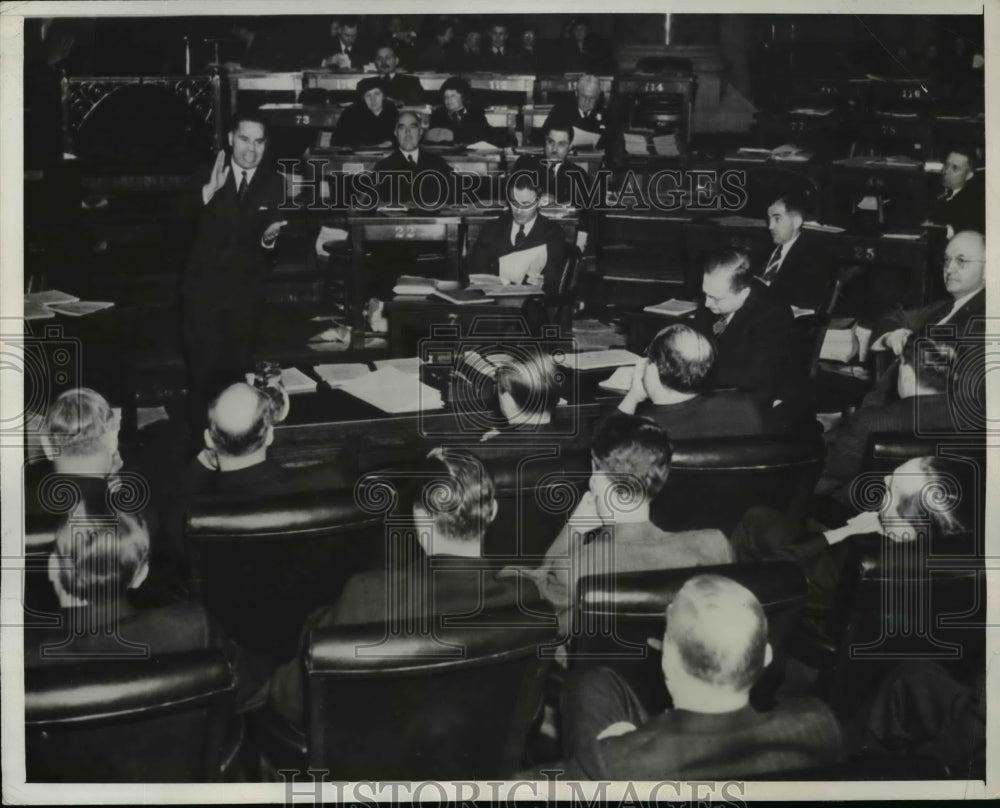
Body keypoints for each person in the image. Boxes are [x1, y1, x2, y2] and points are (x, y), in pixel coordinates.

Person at [268, 449, 544, 730]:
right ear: (493, 511)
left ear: (419, 519)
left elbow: (289, 700)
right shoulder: (526, 598)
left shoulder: (367, 597)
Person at [546, 575, 842, 779]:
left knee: (585, 685)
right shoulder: (819, 726)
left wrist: (619, 747)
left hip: (639, 762)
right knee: (595, 682)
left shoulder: (611, 765)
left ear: (667, 663)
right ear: (765, 656)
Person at [25, 495, 267, 709]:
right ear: (140, 576)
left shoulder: (26, 658)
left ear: (52, 566)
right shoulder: (192, 627)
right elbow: (252, 692)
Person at [516, 414, 734, 630]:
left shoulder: (572, 567)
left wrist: (572, 529)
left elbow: (537, 607)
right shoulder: (715, 546)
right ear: (661, 475)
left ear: (595, 477)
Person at [732, 456, 971, 620]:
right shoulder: (930, 544)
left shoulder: (867, 562)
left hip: (820, 594)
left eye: (893, 487)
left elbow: (780, 565)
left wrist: (845, 532)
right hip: (841, 567)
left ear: (903, 524)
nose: (886, 478)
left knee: (756, 518)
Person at [180, 113, 287, 438]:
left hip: (246, 301)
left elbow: (282, 241)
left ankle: (236, 451)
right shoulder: (205, 174)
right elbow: (173, 229)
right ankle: (200, 453)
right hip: (203, 299)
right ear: (230, 138)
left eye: (258, 142)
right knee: (202, 383)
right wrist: (205, 195)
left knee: (238, 383)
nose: (250, 150)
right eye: (244, 139)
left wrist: (270, 241)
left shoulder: (275, 183)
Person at [816, 334, 963, 510]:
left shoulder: (869, 421)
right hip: (939, 508)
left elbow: (829, 480)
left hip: (858, 509)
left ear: (907, 374)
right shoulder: (974, 418)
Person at [182, 382, 350, 501]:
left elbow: (176, 503)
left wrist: (201, 464)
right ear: (270, 435)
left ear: (208, 439)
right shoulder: (333, 480)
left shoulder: (187, 511)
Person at [690, 249, 801, 411]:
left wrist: (688, 372)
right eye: (705, 294)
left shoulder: (773, 315)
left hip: (753, 402)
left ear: (744, 293)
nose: (706, 303)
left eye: (715, 298)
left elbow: (752, 378)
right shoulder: (714, 298)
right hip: (717, 390)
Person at [617, 324, 768, 438]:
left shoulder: (643, 431)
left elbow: (603, 451)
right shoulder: (744, 409)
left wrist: (633, 396)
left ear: (653, 370)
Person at [467, 174, 568, 294]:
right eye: (514, 202)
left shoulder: (553, 233)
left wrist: (542, 282)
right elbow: (474, 269)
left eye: (526, 204)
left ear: (540, 202)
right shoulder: (492, 228)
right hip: (494, 301)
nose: (519, 211)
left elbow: (555, 280)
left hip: (534, 303)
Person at [509, 123, 593, 248]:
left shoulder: (578, 175)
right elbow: (510, 197)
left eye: (561, 144)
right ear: (544, 142)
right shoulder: (525, 164)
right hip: (525, 233)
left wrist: (580, 246)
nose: (554, 149)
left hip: (559, 237)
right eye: (550, 142)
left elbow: (585, 215)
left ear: (570, 147)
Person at [758, 191, 835, 313]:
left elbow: (805, 300)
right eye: (769, 219)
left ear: (796, 222)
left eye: (777, 219)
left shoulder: (814, 256)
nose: (770, 226)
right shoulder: (763, 248)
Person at [372, 111, 455, 209]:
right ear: (396, 133)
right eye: (402, 127)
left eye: (413, 127)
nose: (407, 132)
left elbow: (456, 195)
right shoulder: (382, 168)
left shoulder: (438, 164)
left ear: (420, 132)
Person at [542, 74, 614, 150]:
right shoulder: (561, 110)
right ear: (577, 93)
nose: (587, 102)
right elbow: (545, 135)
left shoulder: (604, 114)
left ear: (597, 97)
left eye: (592, 98)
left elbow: (610, 142)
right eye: (583, 96)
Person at [924, 147, 986, 236]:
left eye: (955, 168)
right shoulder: (935, 191)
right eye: (946, 164)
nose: (946, 171)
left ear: (968, 175)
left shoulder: (972, 203)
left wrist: (938, 229)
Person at [426, 76, 495, 146]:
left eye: (453, 95)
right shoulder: (437, 117)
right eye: (446, 97)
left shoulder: (477, 116)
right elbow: (430, 140)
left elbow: (487, 139)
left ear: (463, 97)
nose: (448, 100)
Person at [334, 76, 398, 147]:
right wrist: (375, 146)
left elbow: (397, 139)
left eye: (376, 94)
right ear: (363, 98)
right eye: (368, 95)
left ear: (384, 96)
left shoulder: (391, 109)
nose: (373, 99)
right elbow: (337, 142)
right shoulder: (350, 113)